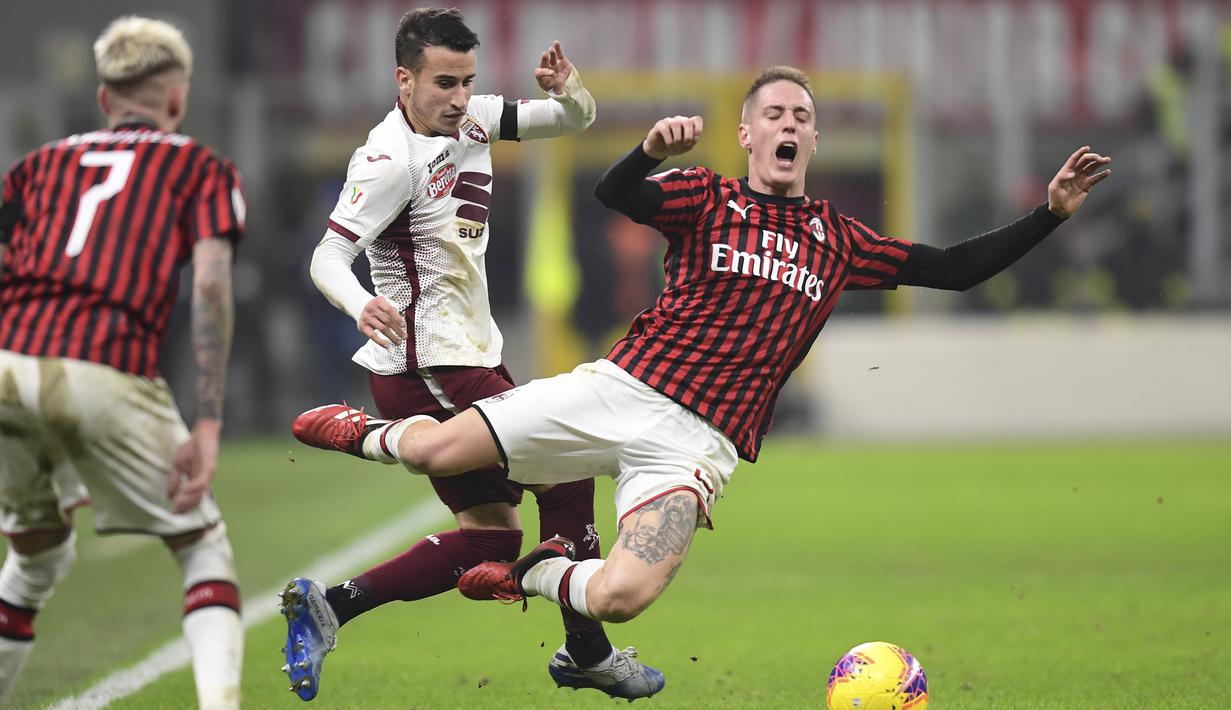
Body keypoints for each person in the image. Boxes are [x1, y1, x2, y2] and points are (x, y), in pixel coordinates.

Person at [293, 65, 1111, 679]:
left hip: (695, 446)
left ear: (813, 142)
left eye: (802, 116)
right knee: (433, 450)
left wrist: (1048, 214)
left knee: (620, 596)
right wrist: (648, 151)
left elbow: (954, 271)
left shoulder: (839, 239)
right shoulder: (704, 196)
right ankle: (366, 433)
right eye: (774, 113)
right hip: (617, 389)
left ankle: (536, 572)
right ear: (748, 135)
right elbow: (616, 194)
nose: (788, 124)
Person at [280, 7, 662, 703]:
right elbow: (327, 255)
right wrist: (358, 303)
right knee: (568, 473)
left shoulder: (476, 118)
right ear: (403, 79)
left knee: (490, 542)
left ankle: (332, 605)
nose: (459, 98)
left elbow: (572, 120)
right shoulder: (386, 159)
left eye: (467, 81)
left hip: (461, 359)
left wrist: (569, 87)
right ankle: (587, 650)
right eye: (444, 83)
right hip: (431, 365)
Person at [0, 16, 244, 710]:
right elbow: (209, 285)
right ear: (178, 97)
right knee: (202, 547)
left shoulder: (33, 168)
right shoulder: (200, 167)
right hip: (103, 362)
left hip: (7, 362)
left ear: (104, 98)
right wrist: (208, 422)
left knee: (37, 555)